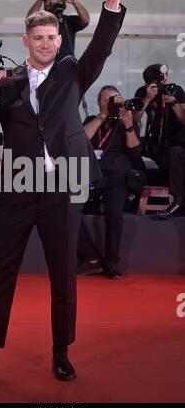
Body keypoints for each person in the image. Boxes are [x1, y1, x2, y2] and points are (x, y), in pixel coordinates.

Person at [0, 0, 125, 385]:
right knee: (0, 272)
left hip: (63, 187)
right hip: (18, 186)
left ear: (59, 39)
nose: (47, 43)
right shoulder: (7, 83)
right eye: (39, 38)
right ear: (26, 41)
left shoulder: (73, 74)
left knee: (63, 274)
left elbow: (102, 45)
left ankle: (61, 352)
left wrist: (112, 3)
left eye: (52, 37)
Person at [78, 86, 145, 279]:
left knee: (114, 214)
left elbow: (136, 152)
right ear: (99, 102)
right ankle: (89, 258)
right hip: (91, 175)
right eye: (106, 99)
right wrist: (101, 116)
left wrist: (130, 126)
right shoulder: (92, 120)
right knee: (68, 207)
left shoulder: (127, 122)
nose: (110, 103)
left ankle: (111, 263)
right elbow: (82, 140)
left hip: (116, 177)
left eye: (114, 99)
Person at [134, 64, 185, 218]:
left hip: (174, 141)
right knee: (132, 147)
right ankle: (135, 185)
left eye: (166, 77)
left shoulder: (175, 90)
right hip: (153, 141)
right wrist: (148, 99)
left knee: (173, 154)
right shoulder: (143, 93)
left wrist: (174, 104)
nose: (165, 82)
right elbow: (135, 119)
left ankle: (177, 200)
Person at [26, 0, 90, 61]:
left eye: (57, 1)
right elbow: (29, 20)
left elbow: (85, 20)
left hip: (66, 66)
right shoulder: (40, 21)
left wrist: (74, 2)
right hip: (44, 65)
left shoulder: (67, 21)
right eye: (49, 1)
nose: (53, 3)